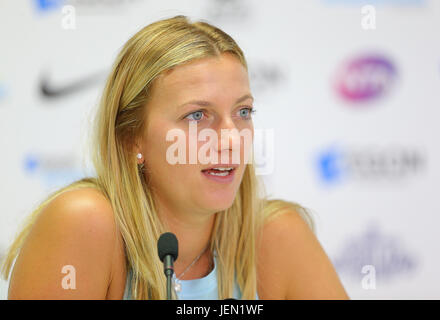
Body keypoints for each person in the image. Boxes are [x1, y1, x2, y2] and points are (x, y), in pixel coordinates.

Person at [0, 15, 349, 300]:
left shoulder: (276, 236)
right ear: (130, 137)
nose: (231, 138)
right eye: (197, 116)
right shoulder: (84, 223)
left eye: (243, 112)